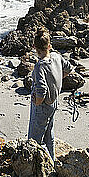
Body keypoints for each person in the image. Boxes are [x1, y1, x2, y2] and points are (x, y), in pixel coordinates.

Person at [28, 28, 72, 160]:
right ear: (49, 45)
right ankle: (51, 161)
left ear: (34, 47)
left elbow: (41, 90)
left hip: (42, 106)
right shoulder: (57, 57)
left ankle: (36, 166)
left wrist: (37, 101)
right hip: (54, 102)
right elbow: (69, 68)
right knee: (49, 134)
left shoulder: (40, 66)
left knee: (34, 139)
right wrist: (57, 79)